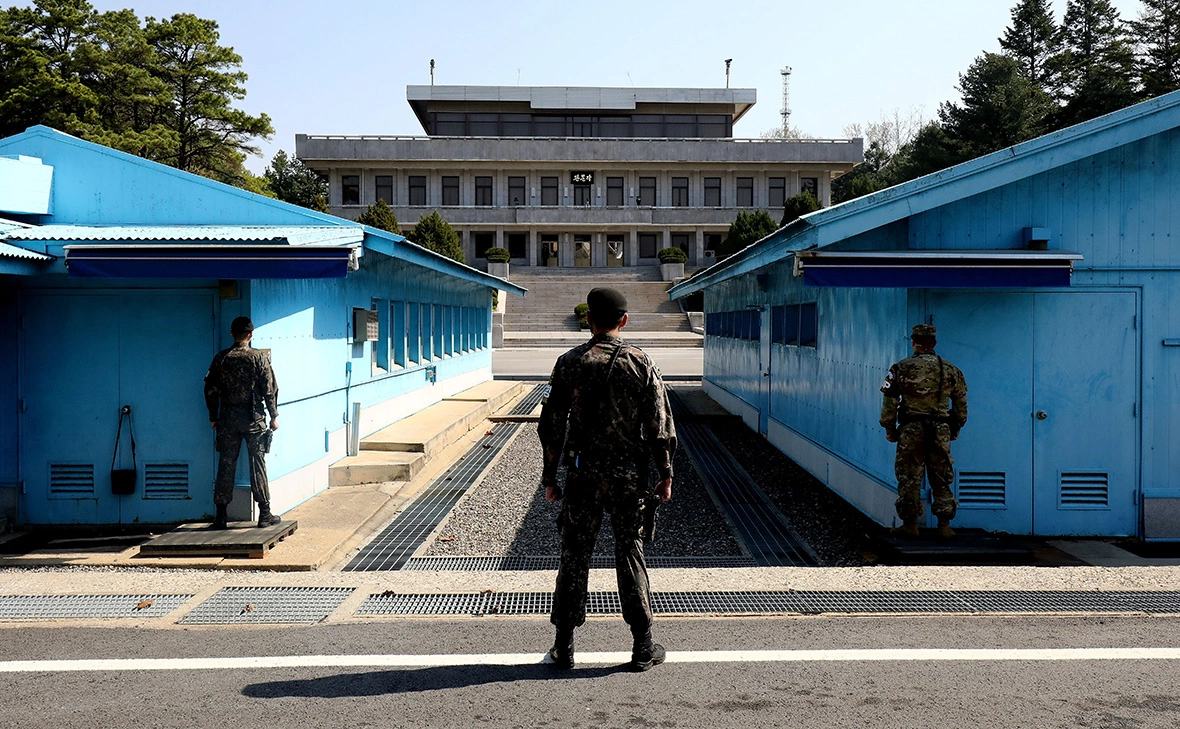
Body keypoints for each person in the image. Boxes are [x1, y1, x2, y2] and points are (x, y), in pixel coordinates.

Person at [538, 287, 677, 672]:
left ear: (589, 320)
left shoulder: (569, 363)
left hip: (583, 475)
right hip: (627, 477)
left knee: (574, 554)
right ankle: (642, 645)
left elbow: (551, 426)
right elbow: (659, 426)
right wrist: (665, 474)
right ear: (624, 320)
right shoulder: (640, 362)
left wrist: (550, 477)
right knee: (629, 552)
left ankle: (563, 646)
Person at [880, 324, 968, 538]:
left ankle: (910, 524)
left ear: (913, 342)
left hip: (911, 430)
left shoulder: (899, 368)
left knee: (910, 476)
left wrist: (890, 429)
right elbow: (961, 404)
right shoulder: (950, 369)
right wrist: (954, 428)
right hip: (940, 430)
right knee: (941, 475)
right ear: (934, 343)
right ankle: (944, 525)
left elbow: (889, 403)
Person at [203, 316, 280, 529]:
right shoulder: (258, 358)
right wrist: (273, 416)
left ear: (231, 334)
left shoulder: (221, 358)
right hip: (253, 419)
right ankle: (265, 514)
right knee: (257, 463)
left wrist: (213, 416)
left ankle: (220, 517)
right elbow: (269, 389)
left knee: (226, 464)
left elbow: (210, 390)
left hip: (227, 419)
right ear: (251, 334)